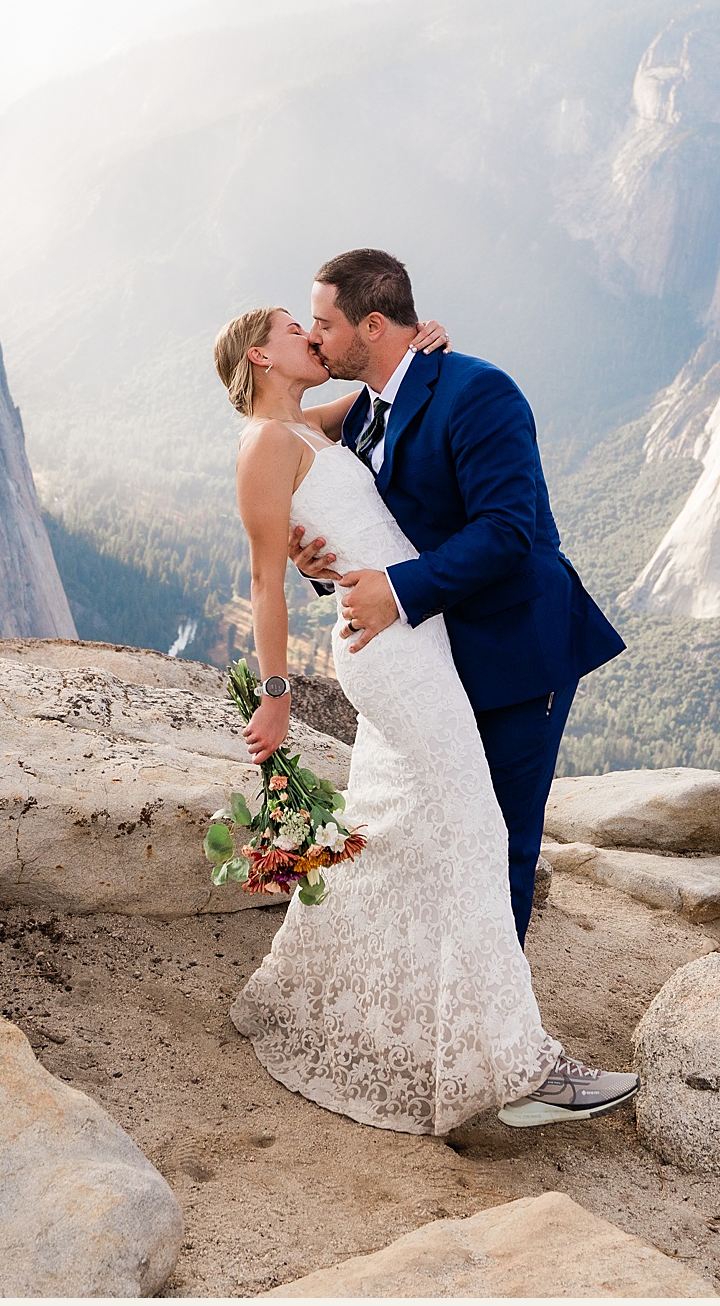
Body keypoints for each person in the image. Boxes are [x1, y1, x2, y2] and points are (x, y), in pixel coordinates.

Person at [213, 280, 633, 1136]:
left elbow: (374, 397)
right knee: (477, 829)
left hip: (419, 637)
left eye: (323, 325)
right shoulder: (263, 443)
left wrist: (417, 345)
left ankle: (311, 1000)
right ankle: (518, 1067)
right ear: (262, 353)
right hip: (392, 649)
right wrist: (279, 694)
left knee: (392, 832)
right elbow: (264, 578)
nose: (314, 338)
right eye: (301, 330)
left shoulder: (306, 424)